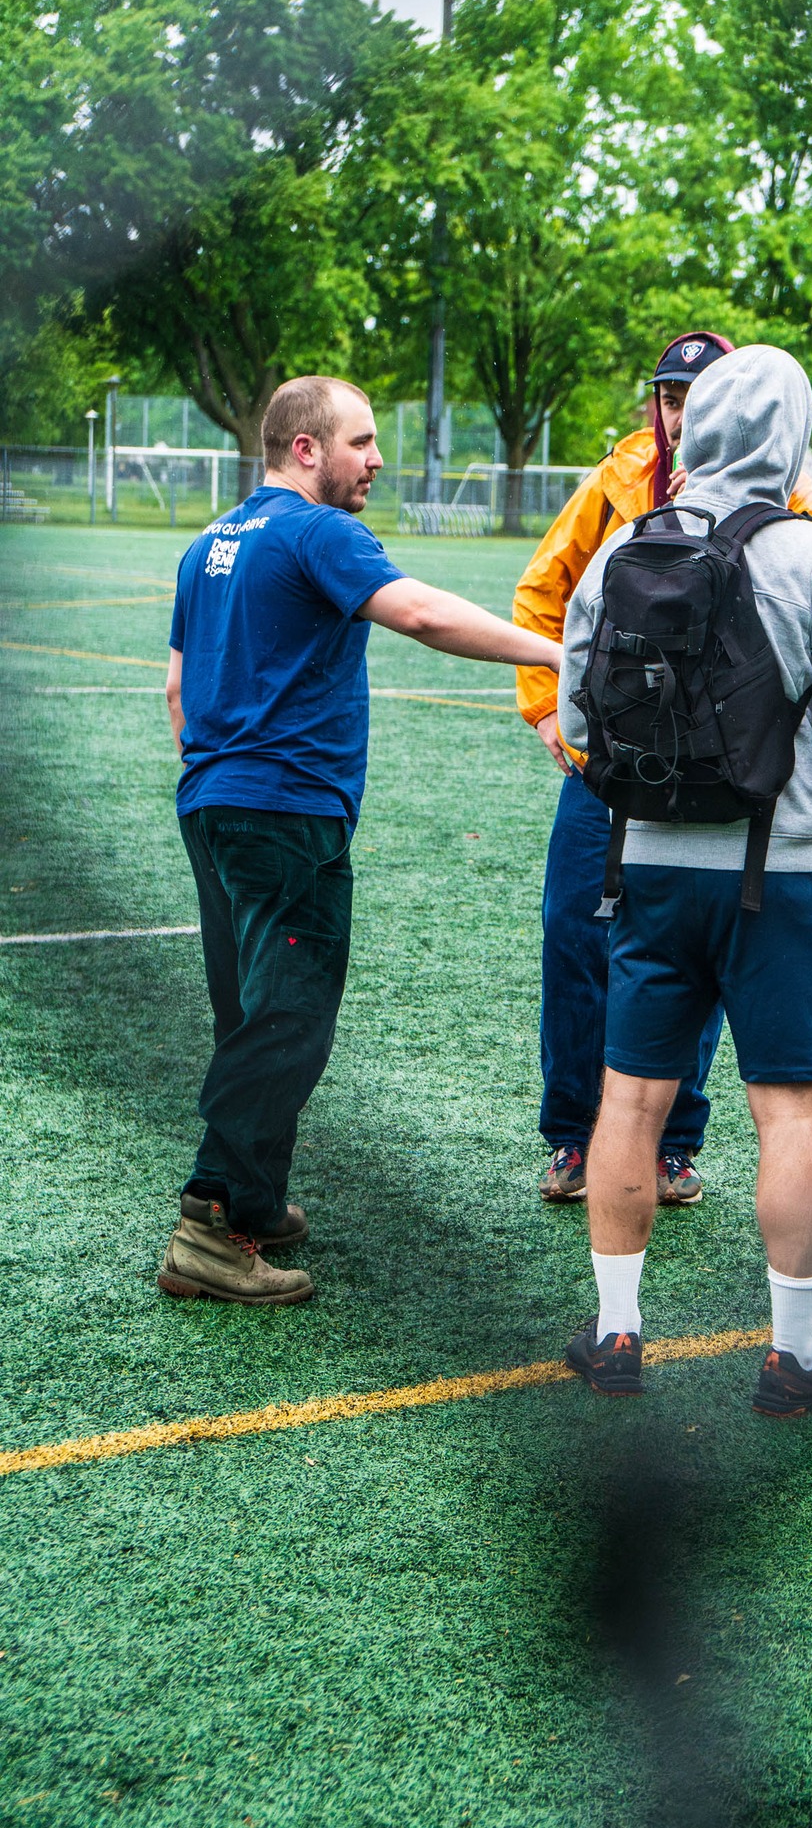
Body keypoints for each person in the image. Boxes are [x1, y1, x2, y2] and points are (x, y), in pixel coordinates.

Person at [159, 375, 561, 1307]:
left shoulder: (209, 542)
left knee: (249, 1008)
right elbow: (419, 614)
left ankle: (253, 1197)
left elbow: (177, 694)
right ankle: (211, 1221)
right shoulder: (320, 532)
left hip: (211, 803)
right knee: (287, 1017)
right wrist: (556, 651)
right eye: (362, 442)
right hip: (284, 813)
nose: (376, 460)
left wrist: (226, 774)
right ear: (307, 449)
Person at [557, 344, 812, 1413]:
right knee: (787, 1109)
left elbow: (577, 723)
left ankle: (616, 1331)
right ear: (787, 433)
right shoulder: (808, 549)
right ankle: (792, 1355)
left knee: (630, 1100)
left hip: (647, 863)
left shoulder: (621, 546)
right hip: (780, 873)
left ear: (690, 425)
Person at [512, 333, 812, 1208]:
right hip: (610, 770)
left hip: (725, 778)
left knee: (698, 954)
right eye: (668, 396)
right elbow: (543, 593)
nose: (680, 414)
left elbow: (808, 646)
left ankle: (674, 1146)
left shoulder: (788, 499)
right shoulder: (617, 480)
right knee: (575, 939)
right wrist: (550, 706)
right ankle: (575, 1138)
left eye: (698, 396)